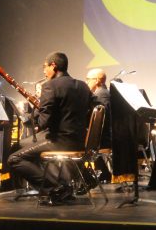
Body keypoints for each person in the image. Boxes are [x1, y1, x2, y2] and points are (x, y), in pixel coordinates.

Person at [7, 52, 93, 206]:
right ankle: (60, 184)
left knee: (14, 159)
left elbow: (44, 123)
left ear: (53, 66)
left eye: (45, 67)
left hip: (60, 141)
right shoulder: (83, 86)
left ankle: (56, 188)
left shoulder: (50, 86)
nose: (44, 71)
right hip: (79, 140)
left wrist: (38, 108)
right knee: (20, 145)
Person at [86, 68, 111, 182]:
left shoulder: (100, 95)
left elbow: (100, 121)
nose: (86, 82)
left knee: (74, 142)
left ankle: (86, 179)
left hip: (104, 138)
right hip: (105, 136)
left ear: (96, 80)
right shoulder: (103, 93)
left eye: (88, 79)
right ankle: (104, 173)